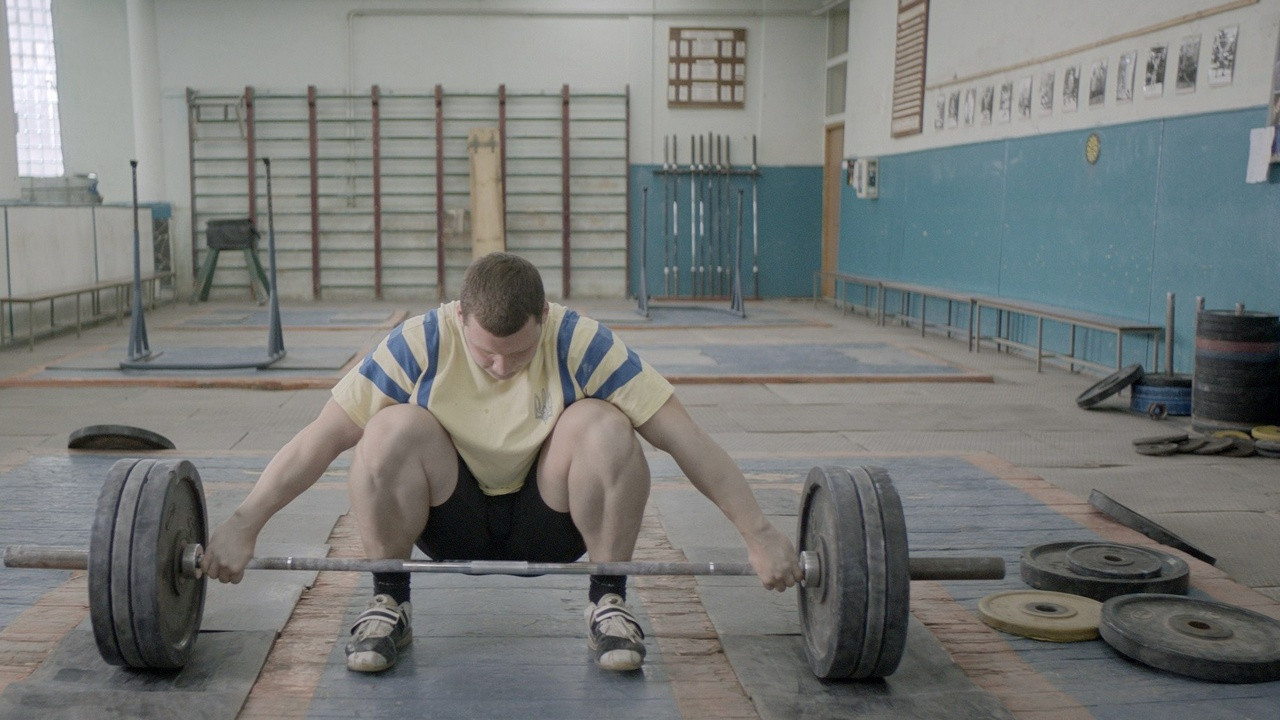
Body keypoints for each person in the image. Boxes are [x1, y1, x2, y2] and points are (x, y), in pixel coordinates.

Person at [200, 251, 802, 673]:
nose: (502, 369)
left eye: (519, 354)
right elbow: (317, 441)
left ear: (545, 315)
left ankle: (609, 601)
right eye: (488, 356)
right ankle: (389, 600)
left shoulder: (579, 339)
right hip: (449, 519)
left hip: (552, 520)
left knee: (608, 428)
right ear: (461, 317)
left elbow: (685, 438)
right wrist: (245, 522)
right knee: (385, 431)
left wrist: (759, 532)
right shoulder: (421, 340)